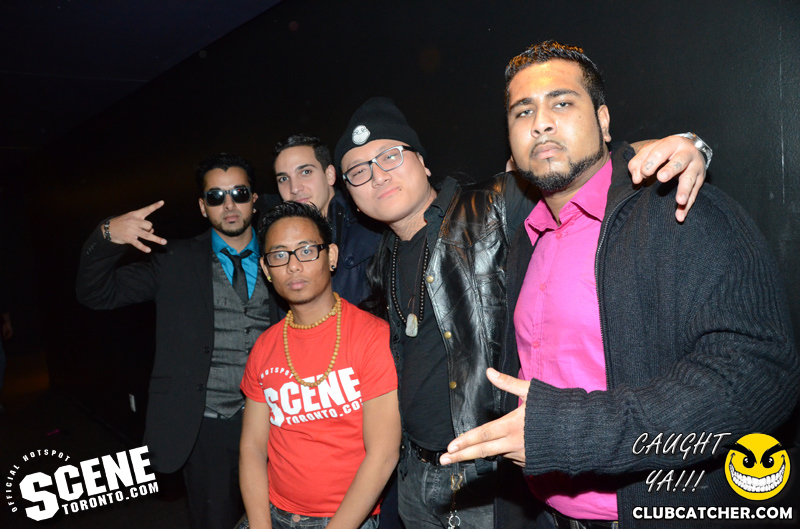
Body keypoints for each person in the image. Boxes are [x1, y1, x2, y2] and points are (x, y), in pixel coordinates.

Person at [439, 41, 800, 528]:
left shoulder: (680, 210)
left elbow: (760, 375)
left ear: (604, 121)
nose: (540, 122)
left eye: (561, 103)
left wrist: (567, 431)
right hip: (543, 512)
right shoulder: (528, 235)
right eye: (523, 111)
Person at [334, 96, 709, 528]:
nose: (378, 175)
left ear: (422, 161)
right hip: (414, 479)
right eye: (358, 171)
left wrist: (683, 146)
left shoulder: (493, 204)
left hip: (487, 476)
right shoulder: (381, 258)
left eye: (390, 156)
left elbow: (596, 166)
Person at [76, 153, 279, 529]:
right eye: (216, 196)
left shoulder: (282, 255)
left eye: (239, 193)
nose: (229, 204)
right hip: (206, 424)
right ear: (203, 207)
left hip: (276, 422)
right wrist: (106, 235)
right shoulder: (176, 260)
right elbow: (97, 293)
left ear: (254, 199)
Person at [239, 201, 400, 529]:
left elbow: (383, 454)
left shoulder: (371, 336)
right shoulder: (264, 347)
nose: (293, 266)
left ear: (331, 256)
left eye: (306, 251)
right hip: (274, 513)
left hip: (347, 521)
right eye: (279, 255)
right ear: (266, 269)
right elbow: (252, 448)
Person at [257, 134, 383, 305]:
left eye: (305, 172)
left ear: (330, 174)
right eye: (283, 179)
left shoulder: (369, 226)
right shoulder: (275, 237)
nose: (294, 188)